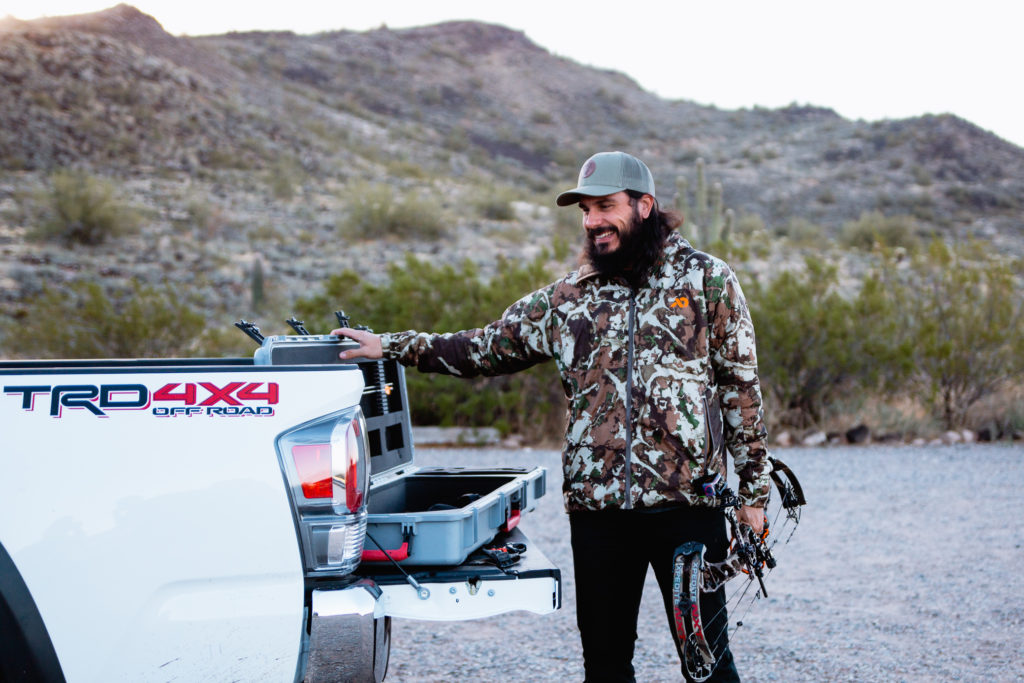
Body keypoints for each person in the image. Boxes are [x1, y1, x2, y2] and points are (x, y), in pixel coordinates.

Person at [333, 151, 772, 682]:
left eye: (605, 206)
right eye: (585, 210)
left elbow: (740, 389)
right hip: (599, 515)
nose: (592, 222)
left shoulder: (707, 281)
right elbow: (483, 348)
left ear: (644, 206)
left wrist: (752, 495)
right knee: (605, 667)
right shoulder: (568, 299)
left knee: (707, 665)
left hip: (687, 510)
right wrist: (391, 346)